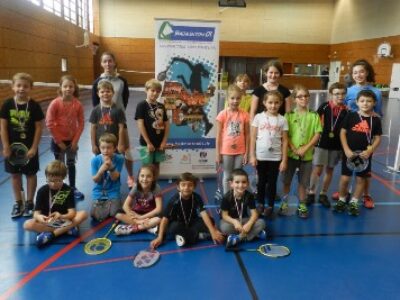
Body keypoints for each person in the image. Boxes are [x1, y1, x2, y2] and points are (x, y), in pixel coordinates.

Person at [0, 73, 44, 218]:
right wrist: (6, 146)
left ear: (30, 88)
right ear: (13, 87)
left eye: (25, 86)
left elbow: (39, 127)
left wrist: (34, 147)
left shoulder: (34, 106)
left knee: (31, 174)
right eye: (18, 85)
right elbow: (3, 127)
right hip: (12, 149)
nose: (21, 89)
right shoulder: (7, 105)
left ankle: (30, 203)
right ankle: (18, 203)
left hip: (29, 148)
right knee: (15, 175)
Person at [340, 59, 383, 209]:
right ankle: (343, 193)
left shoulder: (376, 91)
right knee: (348, 166)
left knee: (365, 170)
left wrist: (372, 146)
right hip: (351, 131)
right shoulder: (349, 90)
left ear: (367, 72)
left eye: (362, 71)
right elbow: (343, 108)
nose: (359, 75)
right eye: (355, 72)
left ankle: (365, 194)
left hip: (366, 134)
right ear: (352, 75)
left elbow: (378, 115)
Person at [334, 90, 382, 216]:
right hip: (349, 155)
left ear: (374, 103)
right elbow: (342, 133)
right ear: (357, 102)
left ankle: (354, 202)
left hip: (364, 156)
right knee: (345, 178)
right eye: (362, 101)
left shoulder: (376, 120)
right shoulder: (351, 116)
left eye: (369, 101)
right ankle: (342, 199)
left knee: (361, 179)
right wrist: (346, 150)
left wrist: (371, 149)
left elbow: (377, 138)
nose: (365, 103)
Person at [92, 52, 134, 188]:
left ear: (114, 62)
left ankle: (130, 177)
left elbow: (125, 98)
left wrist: (117, 112)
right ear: (101, 64)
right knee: (104, 151)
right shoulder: (97, 82)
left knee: (125, 150)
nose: (108, 64)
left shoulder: (122, 81)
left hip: (119, 119)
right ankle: (104, 177)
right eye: (105, 61)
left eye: (110, 61)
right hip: (104, 122)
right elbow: (95, 103)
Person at [279, 85, 322, 218]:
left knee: (303, 183)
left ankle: (302, 204)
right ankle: (285, 202)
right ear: (294, 99)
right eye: (300, 96)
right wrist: (293, 148)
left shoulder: (314, 115)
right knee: (287, 181)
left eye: (306, 96)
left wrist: (305, 148)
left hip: (307, 156)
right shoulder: (288, 115)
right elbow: (285, 135)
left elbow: (317, 134)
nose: (303, 98)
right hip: (291, 155)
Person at [150, 172, 224, 249]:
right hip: (178, 224)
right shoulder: (174, 200)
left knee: (211, 220)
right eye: (183, 185)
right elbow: (165, 219)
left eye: (190, 185)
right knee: (174, 227)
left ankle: (185, 236)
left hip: (191, 222)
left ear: (194, 186)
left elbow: (204, 214)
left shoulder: (196, 197)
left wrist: (213, 231)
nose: (186, 188)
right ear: (178, 187)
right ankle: (198, 236)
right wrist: (160, 238)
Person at [23, 160, 88, 247]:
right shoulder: (42, 191)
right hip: (48, 221)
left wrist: (61, 216)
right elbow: (36, 213)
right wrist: (40, 217)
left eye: (57, 181)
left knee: (83, 214)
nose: (53, 184)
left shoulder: (67, 190)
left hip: (63, 220)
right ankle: (66, 230)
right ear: (47, 177)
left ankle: (51, 235)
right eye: (50, 181)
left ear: (63, 177)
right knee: (27, 224)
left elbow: (72, 213)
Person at [307, 83, 348, 208]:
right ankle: (311, 192)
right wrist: (312, 142)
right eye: (337, 94)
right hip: (321, 144)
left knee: (330, 170)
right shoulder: (324, 107)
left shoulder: (346, 111)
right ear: (331, 94)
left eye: (342, 93)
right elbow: (314, 124)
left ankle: (323, 194)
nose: (340, 96)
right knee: (317, 169)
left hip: (336, 146)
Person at [250, 91, 288, 217]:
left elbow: (285, 140)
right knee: (261, 182)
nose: (273, 105)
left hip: (276, 157)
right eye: (270, 102)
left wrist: (284, 160)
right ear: (264, 103)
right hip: (260, 156)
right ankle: (260, 203)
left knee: (272, 183)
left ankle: (270, 205)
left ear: (281, 104)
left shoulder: (282, 120)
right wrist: (252, 155)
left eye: (276, 103)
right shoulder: (258, 117)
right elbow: (253, 137)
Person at [46, 75, 85, 200]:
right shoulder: (55, 103)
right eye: (65, 86)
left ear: (75, 88)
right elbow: (49, 123)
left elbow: (81, 123)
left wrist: (75, 141)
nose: (68, 89)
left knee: (71, 164)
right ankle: (59, 189)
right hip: (58, 142)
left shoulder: (78, 104)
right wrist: (59, 141)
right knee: (59, 166)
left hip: (71, 142)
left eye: (71, 86)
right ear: (61, 88)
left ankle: (72, 187)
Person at [219, 168, 266, 248]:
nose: (240, 185)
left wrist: (249, 224)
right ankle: (252, 234)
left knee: (261, 222)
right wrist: (234, 222)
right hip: (231, 222)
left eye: (243, 182)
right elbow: (224, 216)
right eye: (237, 182)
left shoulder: (249, 196)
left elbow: (254, 214)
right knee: (224, 227)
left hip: (244, 220)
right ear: (231, 184)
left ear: (247, 183)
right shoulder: (226, 197)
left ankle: (238, 238)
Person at [216, 84, 250, 194]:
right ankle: (227, 198)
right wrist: (218, 153)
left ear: (241, 98)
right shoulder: (222, 114)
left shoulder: (244, 114)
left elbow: (247, 134)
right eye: (232, 98)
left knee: (237, 175)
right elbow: (218, 136)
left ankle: (236, 196)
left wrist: (246, 153)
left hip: (240, 150)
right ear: (227, 99)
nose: (235, 101)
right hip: (226, 150)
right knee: (227, 175)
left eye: (238, 98)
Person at [135, 79, 170, 178]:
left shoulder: (161, 106)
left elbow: (167, 124)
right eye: (152, 90)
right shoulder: (141, 105)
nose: (155, 93)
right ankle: (146, 190)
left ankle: (154, 187)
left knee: (156, 166)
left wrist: (164, 141)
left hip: (159, 143)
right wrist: (148, 143)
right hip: (146, 143)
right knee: (146, 167)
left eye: (158, 91)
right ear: (146, 90)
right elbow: (140, 124)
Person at [114, 165, 162, 235]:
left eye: (148, 176)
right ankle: (148, 227)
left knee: (159, 219)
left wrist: (141, 217)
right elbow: (125, 206)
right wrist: (137, 220)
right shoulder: (136, 187)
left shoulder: (156, 187)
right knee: (118, 213)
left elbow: (158, 209)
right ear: (138, 177)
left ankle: (132, 228)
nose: (145, 179)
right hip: (137, 213)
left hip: (150, 215)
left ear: (153, 178)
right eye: (142, 176)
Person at [91, 133, 125, 222]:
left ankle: (112, 203)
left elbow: (114, 178)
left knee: (114, 214)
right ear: (99, 148)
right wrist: (100, 171)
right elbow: (95, 179)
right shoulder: (95, 160)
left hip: (113, 191)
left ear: (114, 148)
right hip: (98, 191)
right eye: (103, 148)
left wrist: (111, 167)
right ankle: (105, 204)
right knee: (94, 215)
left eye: (109, 148)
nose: (105, 150)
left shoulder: (119, 158)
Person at [90, 80, 126, 155]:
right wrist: (93, 145)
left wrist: (120, 143)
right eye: (102, 92)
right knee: (101, 164)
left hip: (114, 145)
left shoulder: (118, 110)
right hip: (100, 145)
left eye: (108, 91)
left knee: (114, 164)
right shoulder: (95, 110)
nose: (105, 94)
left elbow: (121, 128)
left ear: (113, 93)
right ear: (98, 94)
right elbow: (93, 128)